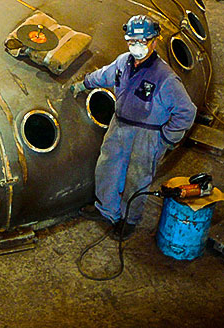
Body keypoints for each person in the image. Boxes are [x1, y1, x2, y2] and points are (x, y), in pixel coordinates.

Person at [71, 15, 196, 239]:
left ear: (154, 42)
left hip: (147, 134)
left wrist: (167, 139)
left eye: (142, 42)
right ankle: (106, 210)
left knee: (137, 179)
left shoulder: (166, 78)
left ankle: (130, 219)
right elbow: (104, 75)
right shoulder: (123, 62)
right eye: (132, 42)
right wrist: (84, 83)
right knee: (107, 168)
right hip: (119, 126)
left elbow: (186, 111)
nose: (136, 47)